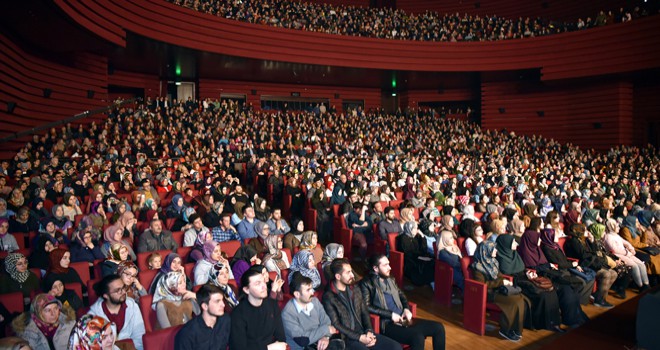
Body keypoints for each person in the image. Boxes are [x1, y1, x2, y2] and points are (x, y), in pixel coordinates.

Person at [360, 254, 446, 350]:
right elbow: (366, 306)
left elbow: (402, 296)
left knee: (438, 328)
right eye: (385, 265)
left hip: (403, 319)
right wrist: (390, 315)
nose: (390, 267)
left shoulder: (390, 279)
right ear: (375, 268)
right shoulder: (366, 283)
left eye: (389, 264)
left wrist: (406, 309)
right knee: (417, 337)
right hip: (387, 324)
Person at [517, 227, 589, 328]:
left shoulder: (537, 250)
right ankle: (570, 319)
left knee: (569, 288)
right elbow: (531, 269)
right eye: (537, 238)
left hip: (549, 275)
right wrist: (547, 266)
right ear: (531, 240)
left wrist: (547, 266)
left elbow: (544, 264)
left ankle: (576, 315)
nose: (540, 240)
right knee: (565, 290)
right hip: (541, 278)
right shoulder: (525, 252)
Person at [322, 258, 401, 350]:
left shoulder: (355, 289)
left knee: (395, 347)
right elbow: (337, 324)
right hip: (347, 339)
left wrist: (369, 331)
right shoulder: (329, 297)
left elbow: (364, 312)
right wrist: (359, 338)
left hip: (364, 333)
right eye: (348, 273)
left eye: (351, 271)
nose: (352, 275)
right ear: (338, 277)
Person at [471, 241, 529, 342]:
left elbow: (500, 276)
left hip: (499, 290)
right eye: (494, 249)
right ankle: (505, 330)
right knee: (514, 302)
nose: (496, 251)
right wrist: (501, 282)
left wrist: (503, 282)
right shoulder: (478, 266)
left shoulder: (493, 262)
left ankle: (515, 329)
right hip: (489, 293)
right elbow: (483, 285)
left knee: (521, 299)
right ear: (486, 251)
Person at [281, 274, 344, 350]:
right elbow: (303, 340)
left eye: (311, 288)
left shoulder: (314, 301)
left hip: (319, 342)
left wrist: (325, 337)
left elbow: (326, 321)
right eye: (308, 290)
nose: (312, 292)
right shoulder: (287, 313)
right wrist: (326, 330)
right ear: (297, 294)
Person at [229, 267, 287, 350]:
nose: (263, 286)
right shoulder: (238, 314)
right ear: (246, 290)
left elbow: (281, 337)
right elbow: (238, 347)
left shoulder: (272, 304)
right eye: (257, 284)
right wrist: (268, 348)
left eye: (263, 282)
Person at [564, 223, 618, 307]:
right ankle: (599, 300)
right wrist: (594, 254)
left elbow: (596, 251)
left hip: (591, 264)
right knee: (606, 274)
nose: (587, 231)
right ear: (579, 231)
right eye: (584, 230)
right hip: (584, 266)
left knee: (614, 273)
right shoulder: (574, 241)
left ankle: (599, 295)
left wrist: (592, 241)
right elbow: (583, 255)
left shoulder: (583, 240)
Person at [539, 228, 595, 306]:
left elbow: (564, 259)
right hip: (561, 272)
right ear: (550, 236)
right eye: (555, 235)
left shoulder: (555, 246)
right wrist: (572, 265)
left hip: (568, 268)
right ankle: (575, 303)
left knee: (591, 278)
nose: (558, 236)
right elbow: (558, 264)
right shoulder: (547, 249)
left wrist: (575, 265)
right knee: (581, 282)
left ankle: (581, 302)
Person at [89, 275, 146, 350]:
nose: (123, 292)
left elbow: (139, 336)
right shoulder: (94, 315)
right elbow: (95, 345)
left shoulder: (132, 306)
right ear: (106, 296)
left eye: (123, 288)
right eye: (118, 290)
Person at [174, 284, 231, 350]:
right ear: (205, 306)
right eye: (217, 301)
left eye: (222, 300)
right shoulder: (187, 333)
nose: (223, 305)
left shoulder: (225, 320)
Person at [11, 294, 75, 350]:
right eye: (47, 310)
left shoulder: (69, 324)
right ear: (38, 313)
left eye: (55, 308)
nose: (53, 313)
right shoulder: (27, 333)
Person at [602, 219, 650, 292]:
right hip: (617, 255)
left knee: (641, 264)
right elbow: (615, 250)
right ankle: (640, 286)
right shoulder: (608, 237)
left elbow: (626, 243)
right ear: (612, 226)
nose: (619, 227)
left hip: (626, 253)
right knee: (634, 266)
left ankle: (646, 284)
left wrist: (631, 248)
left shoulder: (616, 235)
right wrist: (627, 253)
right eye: (617, 226)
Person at [397, 221, 434, 286]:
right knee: (426, 264)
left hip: (418, 256)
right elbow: (407, 253)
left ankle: (432, 282)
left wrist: (422, 236)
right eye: (415, 228)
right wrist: (421, 257)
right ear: (410, 229)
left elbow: (423, 249)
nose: (417, 230)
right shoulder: (403, 238)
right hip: (410, 260)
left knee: (432, 260)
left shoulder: (416, 237)